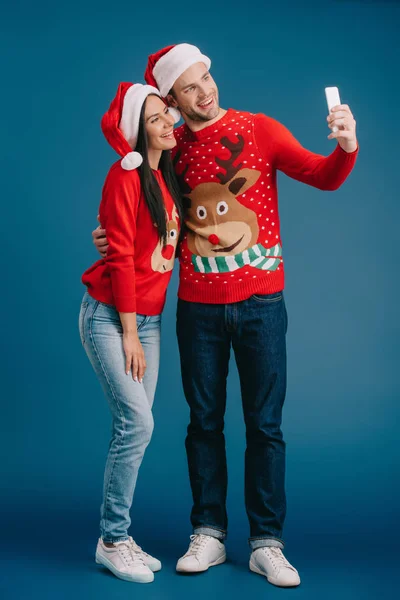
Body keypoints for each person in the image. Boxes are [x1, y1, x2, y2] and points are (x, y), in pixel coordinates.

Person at [93, 43, 358, 587]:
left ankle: (267, 543)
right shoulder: (168, 149)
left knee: (265, 426)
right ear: (171, 98)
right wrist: (106, 238)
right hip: (198, 311)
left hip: (263, 304)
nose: (205, 90)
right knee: (203, 425)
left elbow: (323, 174)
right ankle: (208, 533)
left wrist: (347, 147)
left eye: (207, 76)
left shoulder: (260, 129)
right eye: (189, 86)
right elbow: (138, 209)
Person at [79, 81, 183, 583]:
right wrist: (128, 333)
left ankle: (120, 535)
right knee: (136, 425)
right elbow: (119, 256)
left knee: (136, 431)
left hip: (150, 320)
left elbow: (157, 248)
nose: (168, 124)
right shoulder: (126, 175)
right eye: (157, 119)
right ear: (138, 131)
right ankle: (112, 540)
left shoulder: (165, 179)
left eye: (169, 115)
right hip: (111, 317)